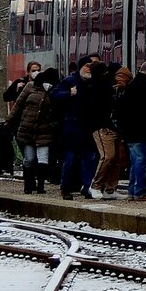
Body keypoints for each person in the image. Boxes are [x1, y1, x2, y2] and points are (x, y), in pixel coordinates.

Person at [113, 60, 146, 201]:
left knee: (135, 162)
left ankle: (132, 191)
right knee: (142, 161)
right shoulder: (145, 86)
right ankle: (140, 192)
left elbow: (120, 109)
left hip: (130, 131)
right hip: (141, 131)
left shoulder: (131, 85)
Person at [51, 62, 97, 200]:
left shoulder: (93, 84)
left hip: (87, 129)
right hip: (72, 130)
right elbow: (54, 94)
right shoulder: (70, 81)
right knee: (69, 161)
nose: (88, 69)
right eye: (86, 66)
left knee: (89, 160)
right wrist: (69, 93)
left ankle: (87, 187)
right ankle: (65, 188)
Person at [9, 67, 59, 194]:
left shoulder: (54, 91)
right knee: (29, 159)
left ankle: (41, 186)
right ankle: (28, 185)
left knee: (43, 159)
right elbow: (18, 105)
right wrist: (9, 120)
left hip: (44, 130)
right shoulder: (30, 86)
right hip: (28, 129)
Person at [83, 61, 121, 199]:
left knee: (115, 158)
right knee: (107, 156)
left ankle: (110, 188)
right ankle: (96, 185)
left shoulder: (100, 87)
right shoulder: (95, 88)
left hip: (110, 126)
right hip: (102, 126)